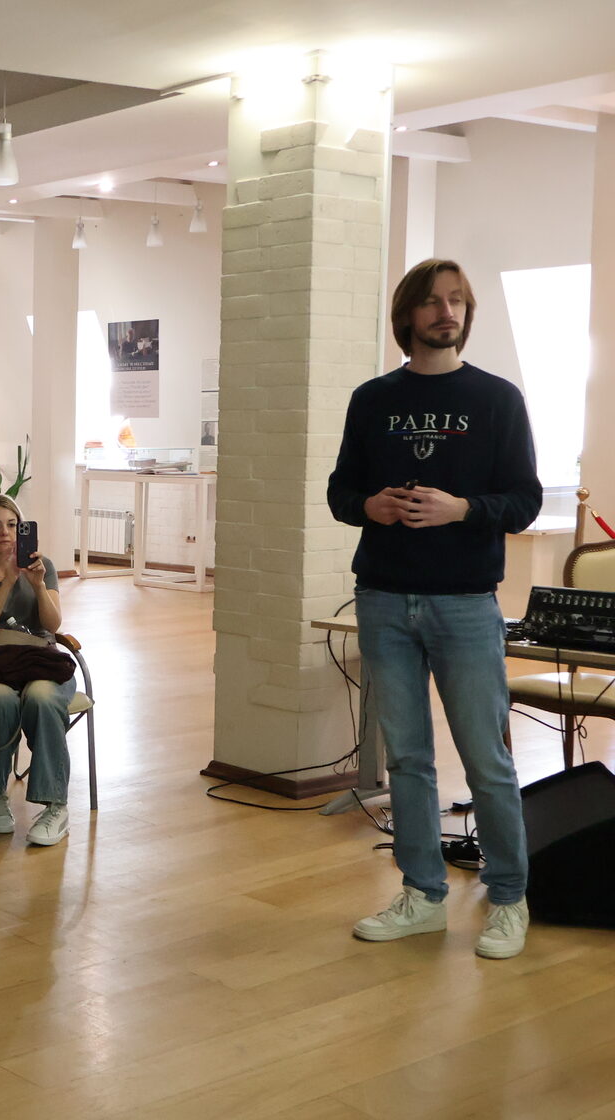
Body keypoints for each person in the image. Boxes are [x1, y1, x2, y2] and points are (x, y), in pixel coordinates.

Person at [328, 258, 539, 960]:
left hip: (467, 603)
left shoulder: (498, 399)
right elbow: (340, 492)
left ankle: (508, 898)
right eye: (432, 301)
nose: (447, 312)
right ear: (408, 315)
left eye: (457, 301)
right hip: (384, 597)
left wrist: (461, 509)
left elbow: (524, 501)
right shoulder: (372, 399)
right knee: (409, 760)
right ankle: (422, 895)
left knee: (487, 760)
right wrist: (370, 505)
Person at [0, 494, 76, 847]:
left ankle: (56, 805)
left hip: (43, 663)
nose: (5, 533)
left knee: (41, 697)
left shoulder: (42, 566)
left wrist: (37, 586)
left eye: (12, 525)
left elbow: (53, 624)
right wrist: (7, 582)